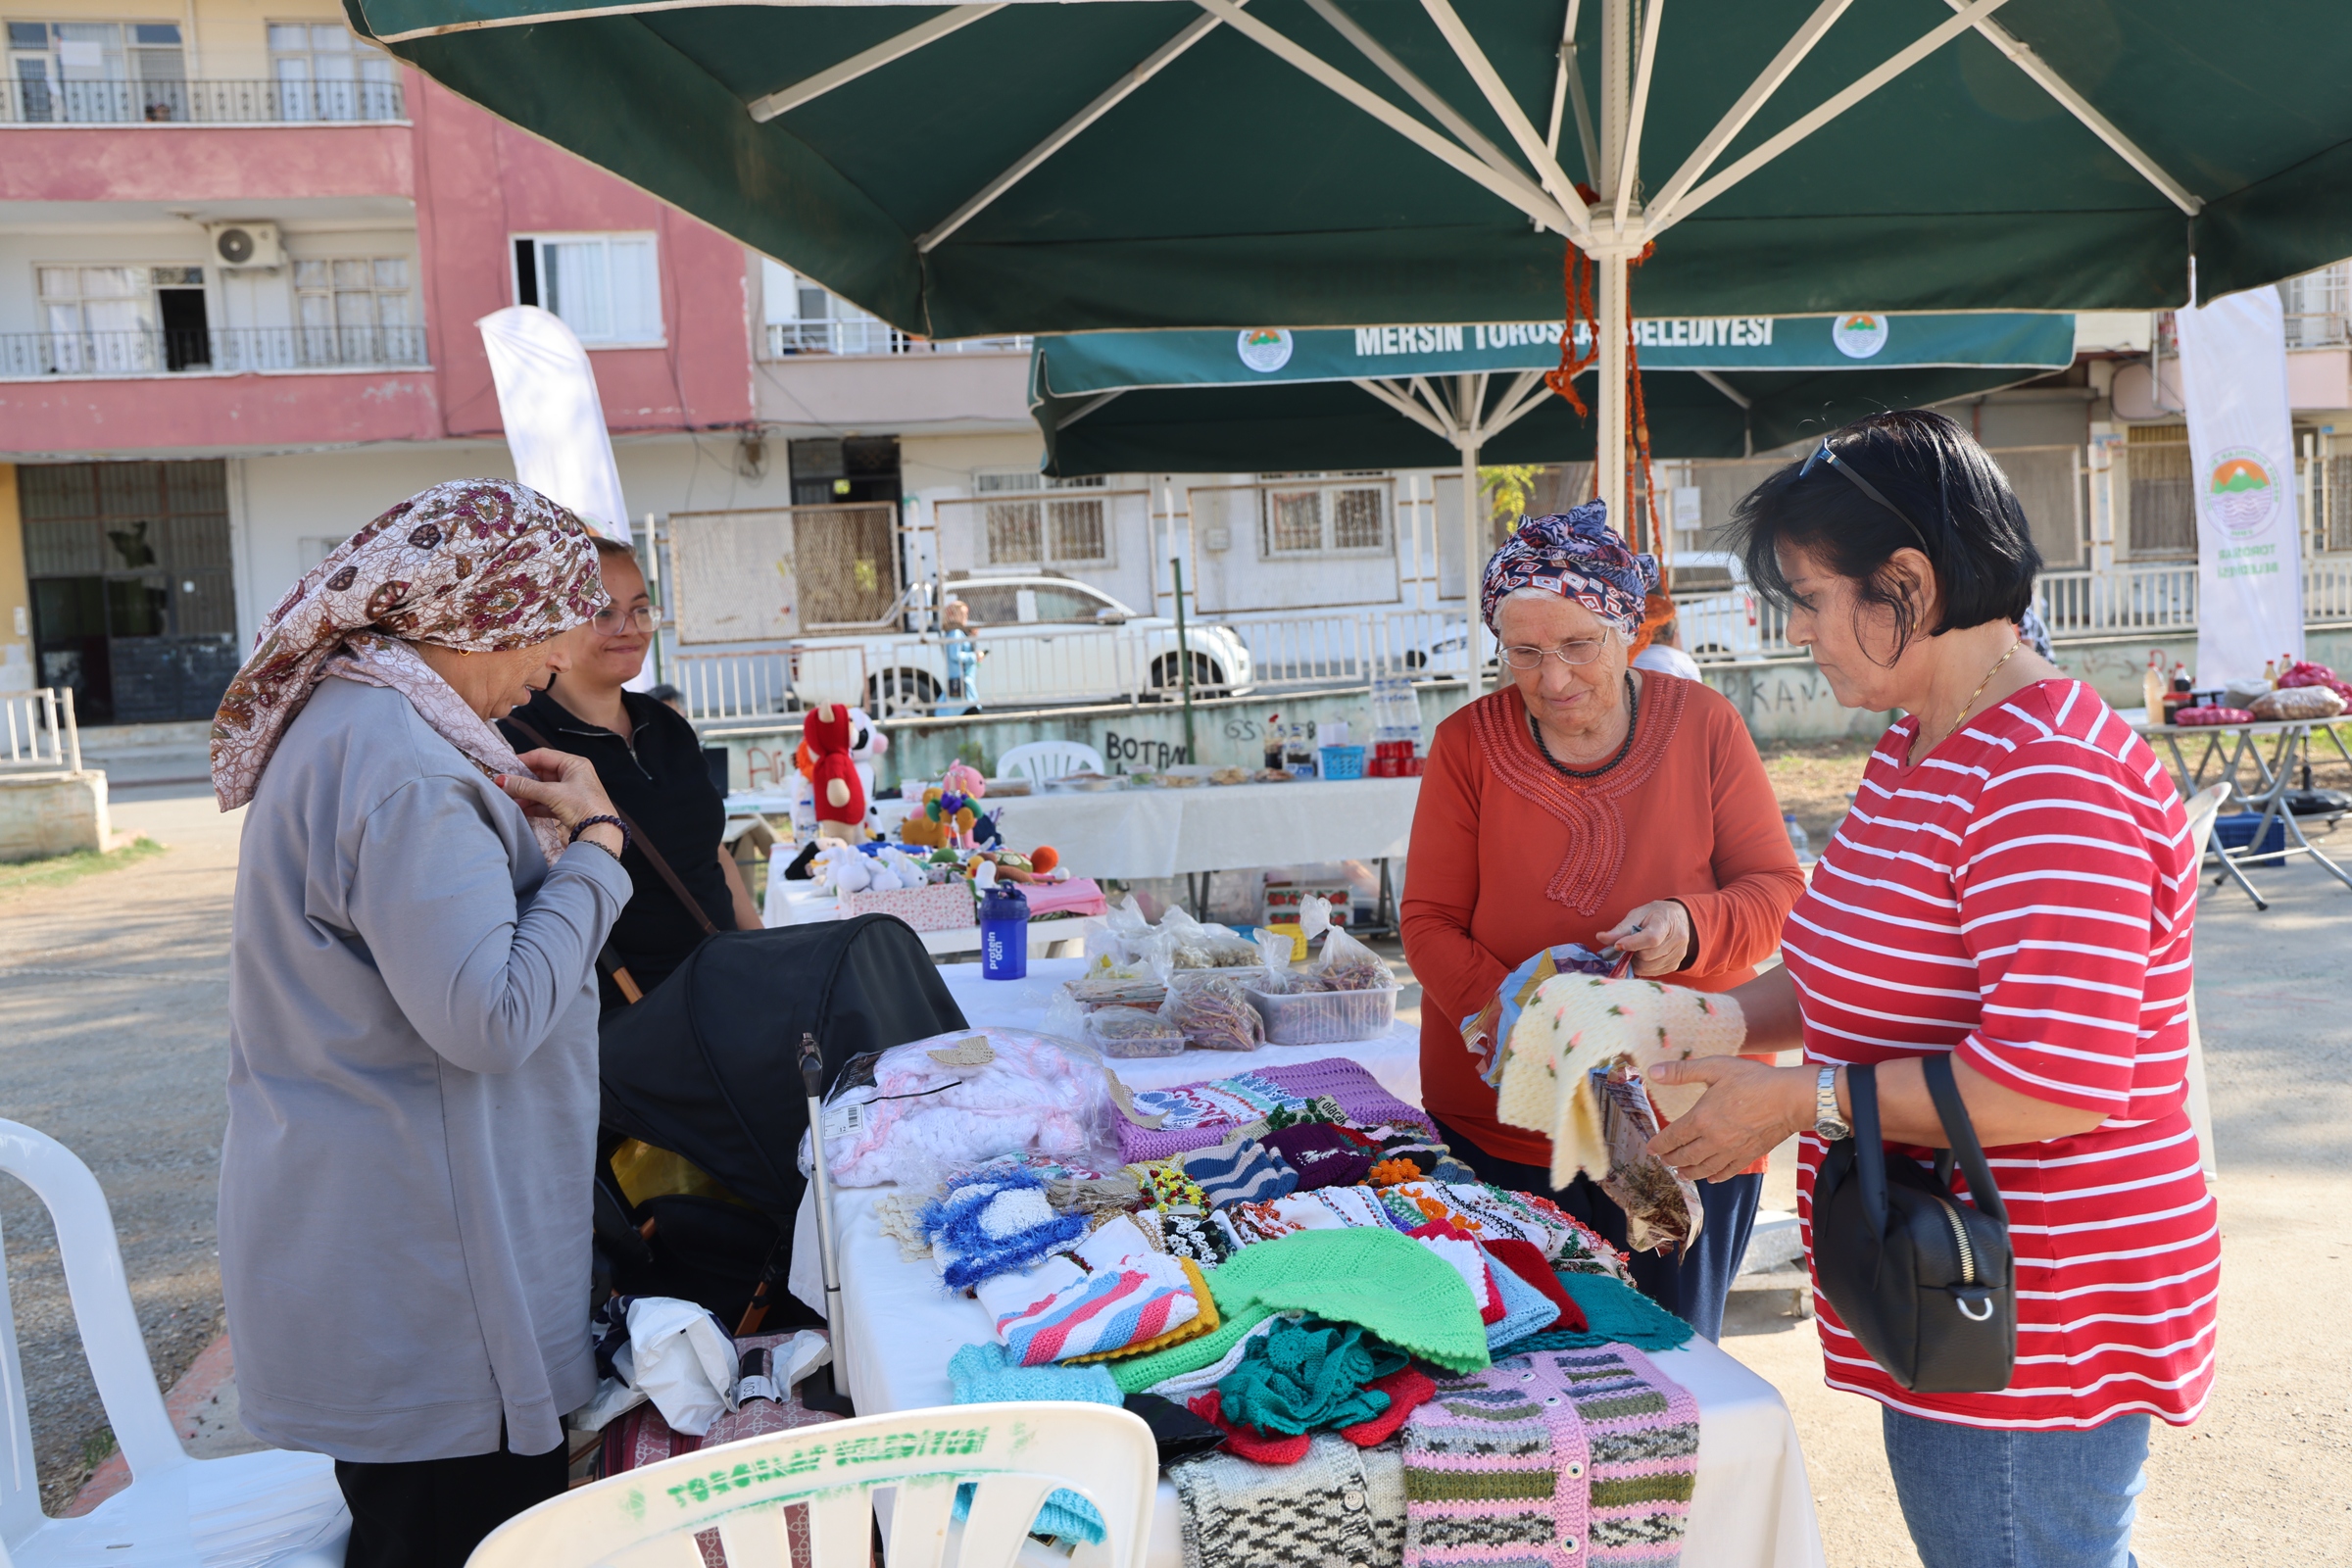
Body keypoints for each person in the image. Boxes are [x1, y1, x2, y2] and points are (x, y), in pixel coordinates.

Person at [1642, 411, 2214, 1568]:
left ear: (1904, 581)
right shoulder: (1922, 743)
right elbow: (1842, 961)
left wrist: (1801, 1102)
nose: (1797, 632)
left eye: (1807, 598)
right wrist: (1703, 1016)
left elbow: (2049, 1084)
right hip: (1946, 1268)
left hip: (2034, 1304)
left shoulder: (2050, 781)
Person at [211, 480, 632, 1568]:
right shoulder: (405, 764)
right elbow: (488, 1017)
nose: (555, 659)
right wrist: (595, 849)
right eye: (548, 621)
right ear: (477, 610)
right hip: (433, 1272)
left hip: (391, 1241)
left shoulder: (369, 722)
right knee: (466, 1538)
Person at [1401, 503, 1807, 1340]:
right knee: (1528, 1363)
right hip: (1506, 1122)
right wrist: (1529, 1017)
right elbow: (1429, 921)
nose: (1553, 679)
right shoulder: (1465, 746)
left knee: (1675, 1357)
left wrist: (1686, 927)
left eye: (1578, 646)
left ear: (1627, 630)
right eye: (1525, 653)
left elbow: (1776, 894)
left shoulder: (1706, 728)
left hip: (1689, 1115)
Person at [502, 535, 760, 1011]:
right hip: (629, 1013)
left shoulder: (666, 724)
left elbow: (709, 849)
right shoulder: (520, 743)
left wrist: (760, 947)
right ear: (555, 621)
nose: (630, 628)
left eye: (641, 609)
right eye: (603, 613)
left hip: (729, 987)